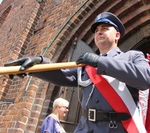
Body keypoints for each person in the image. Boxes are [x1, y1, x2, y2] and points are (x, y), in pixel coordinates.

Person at [4, 12, 150, 133]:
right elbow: (63, 76)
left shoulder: (132, 56)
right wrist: (38, 64)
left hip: (117, 128)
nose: (99, 32)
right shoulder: (87, 65)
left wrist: (100, 63)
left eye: (104, 28)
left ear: (117, 35)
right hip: (85, 127)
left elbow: (145, 78)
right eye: (97, 30)